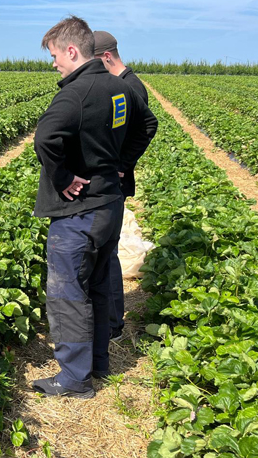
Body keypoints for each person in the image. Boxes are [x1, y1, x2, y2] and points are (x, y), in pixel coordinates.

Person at [32, 16, 157, 399]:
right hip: (110, 204)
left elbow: (45, 137)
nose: (54, 63)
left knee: (68, 292)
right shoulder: (121, 88)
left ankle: (74, 378)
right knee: (99, 284)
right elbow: (147, 124)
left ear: (72, 51)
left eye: (55, 55)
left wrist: (63, 178)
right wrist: (122, 164)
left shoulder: (76, 92)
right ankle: (98, 363)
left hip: (79, 211)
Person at [93, 30, 150, 343]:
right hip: (112, 180)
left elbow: (143, 130)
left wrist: (121, 165)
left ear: (105, 57)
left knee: (108, 252)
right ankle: (109, 317)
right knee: (107, 250)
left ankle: (113, 323)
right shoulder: (123, 84)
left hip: (114, 183)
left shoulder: (128, 87)